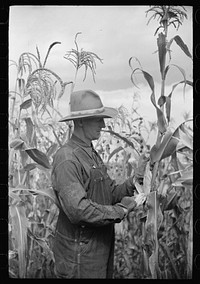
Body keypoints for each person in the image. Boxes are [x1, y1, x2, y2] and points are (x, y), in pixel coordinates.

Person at [51, 89, 147, 279]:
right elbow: (79, 210)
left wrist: (135, 180)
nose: (103, 124)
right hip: (79, 256)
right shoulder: (67, 158)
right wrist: (122, 210)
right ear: (79, 121)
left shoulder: (90, 153)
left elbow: (109, 193)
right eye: (97, 119)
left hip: (98, 251)